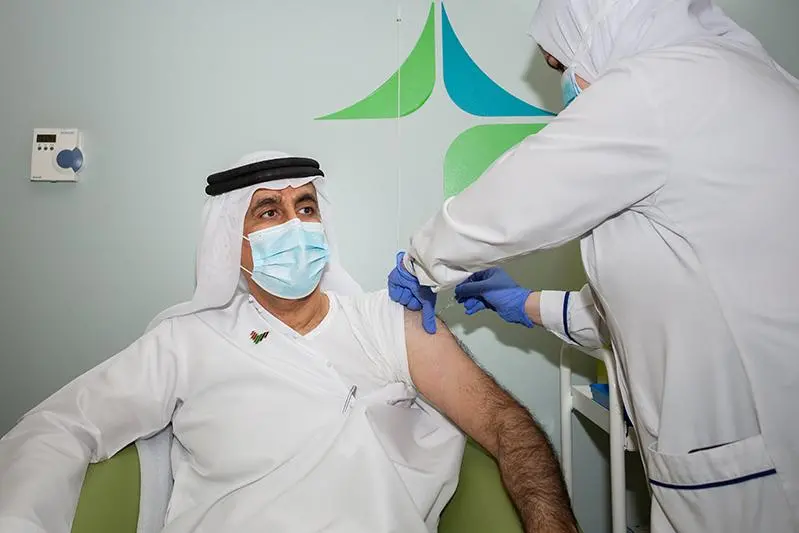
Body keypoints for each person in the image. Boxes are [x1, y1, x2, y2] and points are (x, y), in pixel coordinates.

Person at [0, 151, 578, 533]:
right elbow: (63, 425)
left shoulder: (385, 320)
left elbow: (503, 423)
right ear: (231, 241)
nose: (295, 225)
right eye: (269, 212)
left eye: (305, 207)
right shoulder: (185, 342)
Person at [387, 0, 799, 532]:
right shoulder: (750, 76)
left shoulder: (658, 87)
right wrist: (526, 304)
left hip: (753, 453)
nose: (562, 84)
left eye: (559, 64)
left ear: (596, 31)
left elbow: (518, 197)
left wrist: (422, 259)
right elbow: (669, 298)